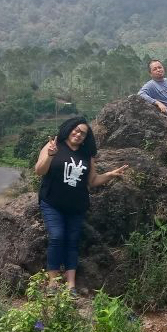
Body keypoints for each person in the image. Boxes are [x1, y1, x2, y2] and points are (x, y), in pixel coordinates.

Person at [34, 116, 128, 291]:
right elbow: (39, 170)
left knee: (72, 241)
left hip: (77, 206)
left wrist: (110, 175)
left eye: (83, 133)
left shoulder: (87, 155)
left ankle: (71, 284)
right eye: (76, 130)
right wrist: (50, 156)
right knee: (57, 236)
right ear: (69, 129)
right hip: (52, 202)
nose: (78, 134)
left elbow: (92, 181)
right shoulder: (53, 146)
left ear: (86, 138)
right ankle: (53, 282)